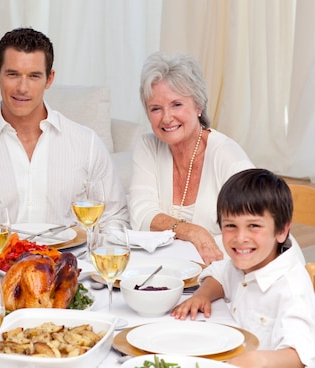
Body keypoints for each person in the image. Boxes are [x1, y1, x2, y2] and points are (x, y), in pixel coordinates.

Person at [0, 27, 128, 235]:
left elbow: (114, 220)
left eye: (34, 76)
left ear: (49, 79)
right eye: (13, 74)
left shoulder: (87, 143)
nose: (23, 88)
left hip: (71, 265)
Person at [172, 169, 315, 368]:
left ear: (282, 231)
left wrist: (260, 360)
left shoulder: (291, 288)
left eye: (254, 226)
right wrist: (202, 295)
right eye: (231, 225)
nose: (240, 238)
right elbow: (219, 274)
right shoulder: (242, 265)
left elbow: (300, 356)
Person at [129, 52, 255, 264]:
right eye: (156, 108)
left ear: (198, 106)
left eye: (176, 104)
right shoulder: (147, 146)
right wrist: (193, 232)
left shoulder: (227, 156)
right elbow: (141, 216)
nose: (167, 118)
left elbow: (252, 230)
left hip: (226, 269)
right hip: (169, 271)